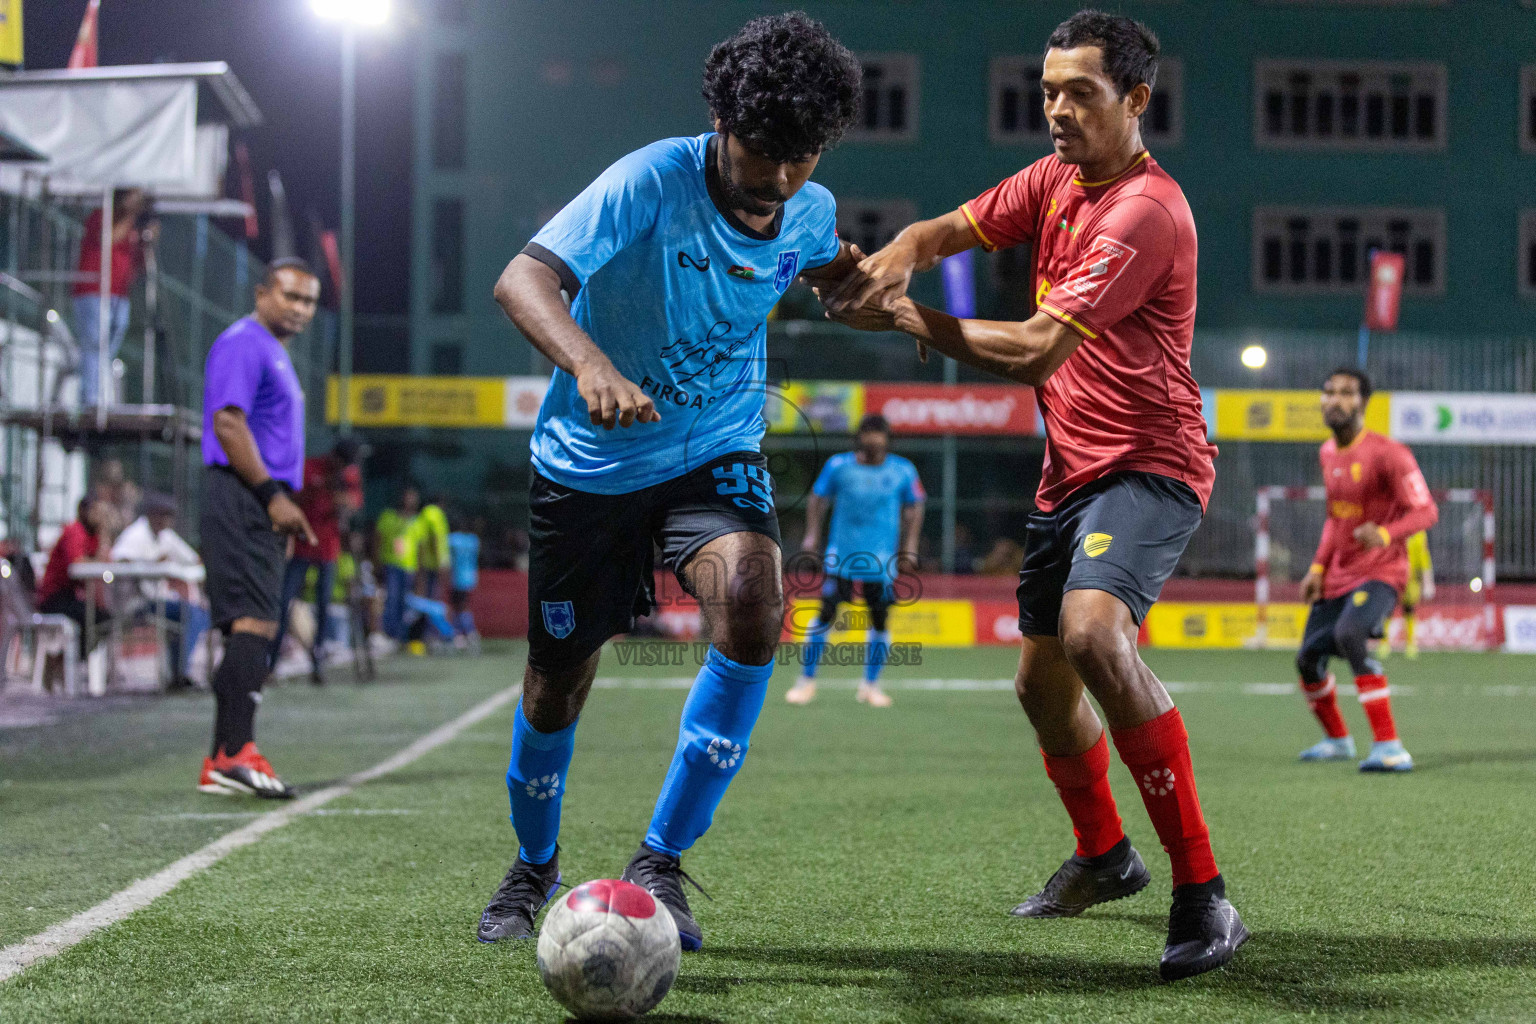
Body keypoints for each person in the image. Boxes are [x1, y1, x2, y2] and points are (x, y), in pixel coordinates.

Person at [819, 10, 1245, 980]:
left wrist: (904, 318)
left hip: (1153, 462)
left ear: (1136, 100)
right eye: (1047, 90)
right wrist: (893, 258)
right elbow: (955, 226)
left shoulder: (1145, 210)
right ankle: (1107, 856)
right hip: (1072, 471)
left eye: (1078, 93)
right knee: (1042, 690)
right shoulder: (1055, 177)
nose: (1055, 109)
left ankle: (1204, 894)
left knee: (1096, 635)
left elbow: (1034, 348)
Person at [475, 12, 861, 950]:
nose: (779, 179)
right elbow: (522, 280)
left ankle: (662, 859)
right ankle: (533, 867)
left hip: (715, 450)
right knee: (555, 685)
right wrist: (594, 365)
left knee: (756, 599)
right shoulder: (651, 178)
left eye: (802, 156)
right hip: (591, 465)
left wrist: (865, 286)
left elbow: (820, 267)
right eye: (764, 151)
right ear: (723, 124)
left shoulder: (810, 205)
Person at [197, 257, 320, 800]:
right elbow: (228, 421)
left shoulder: (274, 352)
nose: (300, 309)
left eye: (309, 301)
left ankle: (225, 756)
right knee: (253, 624)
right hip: (244, 494)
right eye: (291, 296)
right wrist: (271, 495)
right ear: (263, 292)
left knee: (256, 625)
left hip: (258, 496)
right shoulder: (244, 342)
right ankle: (233, 753)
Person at [1294, 368, 1437, 772]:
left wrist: (1388, 532)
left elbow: (1426, 510)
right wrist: (1317, 567)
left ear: (1363, 402)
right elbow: (1334, 519)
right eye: (1328, 392)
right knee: (1307, 660)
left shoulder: (1390, 453)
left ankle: (1390, 746)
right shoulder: (1327, 452)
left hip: (1383, 571)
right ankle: (1338, 740)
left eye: (1345, 393)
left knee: (1351, 633)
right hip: (1339, 573)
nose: (1334, 400)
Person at [787, 414, 924, 707]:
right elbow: (817, 498)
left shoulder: (903, 470)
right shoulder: (838, 466)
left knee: (880, 617)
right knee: (826, 612)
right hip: (842, 555)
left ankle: (870, 686)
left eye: (878, 433)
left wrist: (909, 546)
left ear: (887, 438)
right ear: (858, 436)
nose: (873, 438)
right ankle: (806, 681)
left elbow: (915, 507)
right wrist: (812, 536)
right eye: (867, 432)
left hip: (882, 559)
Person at [273, 436, 366, 684]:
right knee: (283, 602)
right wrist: (320, 488)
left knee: (324, 606)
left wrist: (342, 498)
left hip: (329, 550)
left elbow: (354, 504)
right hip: (304, 545)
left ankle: (318, 662)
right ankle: (271, 661)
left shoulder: (348, 477)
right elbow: (293, 498)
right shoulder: (311, 467)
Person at [110, 492, 208, 690]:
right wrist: (152, 564)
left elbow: (193, 559)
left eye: (169, 515)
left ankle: (178, 673)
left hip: (157, 601)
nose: (167, 520)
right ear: (152, 515)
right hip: (134, 602)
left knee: (195, 614)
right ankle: (179, 672)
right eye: (163, 515)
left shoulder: (166, 536)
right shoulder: (135, 534)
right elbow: (119, 560)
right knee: (188, 613)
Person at [73, 188, 154, 407]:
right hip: (93, 291)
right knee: (94, 344)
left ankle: (98, 394)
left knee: (107, 348)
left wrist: (148, 241)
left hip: (119, 295)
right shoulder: (102, 215)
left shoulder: (133, 229)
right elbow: (106, 239)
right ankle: (90, 400)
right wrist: (130, 218)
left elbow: (141, 267)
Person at [34, 497, 114, 658]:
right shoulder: (74, 530)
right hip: (53, 597)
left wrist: (104, 531)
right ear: (85, 512)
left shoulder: (93, 536)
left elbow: (106, 560)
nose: (101, 516)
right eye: (97, 512)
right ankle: (65, 662)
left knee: (104, 619)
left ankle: (70, 663)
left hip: (70, 596)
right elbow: (77, 564)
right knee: (92, 619)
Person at [375, 486, 420, 641]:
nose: (409, 501)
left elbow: (419, 546)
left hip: (409, 567)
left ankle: (401, 635)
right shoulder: (388, 516)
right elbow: (378, 539)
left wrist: (419, 570)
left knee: (404, 602)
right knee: (391, 599)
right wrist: (377, 562)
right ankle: (389, 633)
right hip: (391, 565)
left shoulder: (416, 521)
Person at [448, 517, 481, 648]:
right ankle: (464, 632)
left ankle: (467, 632)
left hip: (457, 577)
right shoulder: (473, 540)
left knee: (458, 605)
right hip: (470, 577)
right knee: (463, 604)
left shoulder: (453, 539)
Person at [416, 496, 451, 600]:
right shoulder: (435, 514)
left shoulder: (424, 514)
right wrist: (441, 562)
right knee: (431, 595)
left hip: (425, 560)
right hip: (433, 562)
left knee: (424, 593)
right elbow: (434, 538)